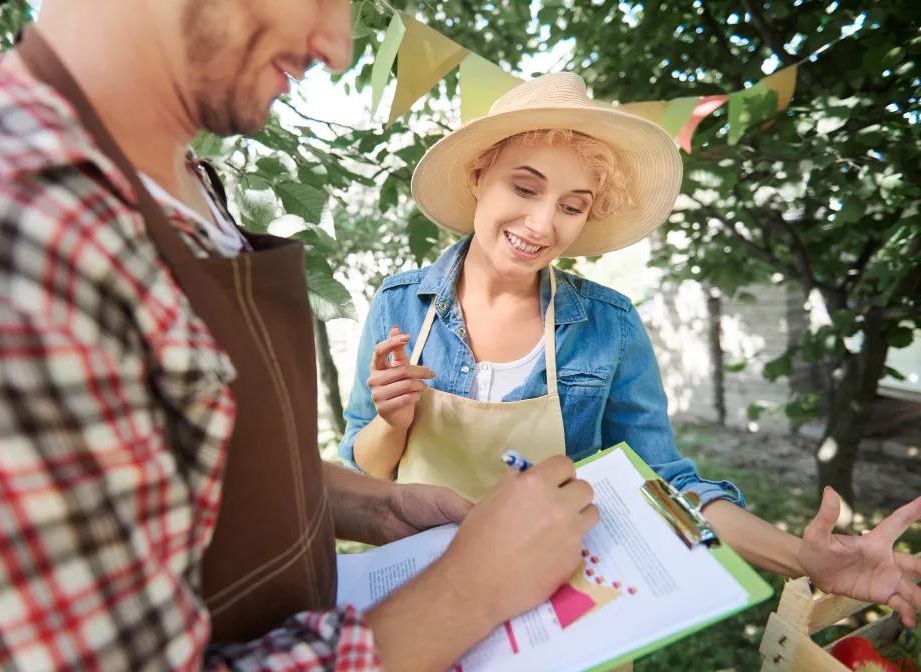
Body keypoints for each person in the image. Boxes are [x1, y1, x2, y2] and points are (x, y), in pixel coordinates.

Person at [0, 1, 601, 670]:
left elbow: (193, 469)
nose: (337, 46)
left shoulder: (174, 179)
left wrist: (378, 506)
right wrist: (469, 590)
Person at [339, 73, 921, 626]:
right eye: (524, 187)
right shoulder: (400, 305)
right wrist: (392, 423)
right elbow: (362, 473)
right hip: (421, 594)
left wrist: (804, 558)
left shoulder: (608, 324)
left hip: (558, 603)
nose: (542, 224)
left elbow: (661, 483)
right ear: (477, 176)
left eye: (572, 204)